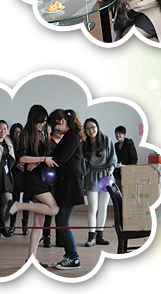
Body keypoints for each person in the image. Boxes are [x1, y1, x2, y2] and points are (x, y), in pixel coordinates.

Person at [8, 105, 60, 259]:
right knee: (54, 208)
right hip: (32, 179)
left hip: (41, 176)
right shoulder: (27, 133)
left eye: (44, 121)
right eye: (40, 121)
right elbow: (22, 158)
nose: (42, 124)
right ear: (33, 119)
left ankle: (31, 258)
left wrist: (38, 162)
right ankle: (18, 206)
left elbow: (47, 155)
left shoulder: (43, 133)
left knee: (38, 222)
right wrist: (42, 159)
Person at [46, 109, 86, 270]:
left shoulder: (72, 138)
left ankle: (74, 257)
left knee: (62, 221)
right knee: (61, 220)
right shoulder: (68, 137)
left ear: (62, 121)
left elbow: (60, 159)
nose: (54, 130)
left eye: (54, 126)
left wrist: (41, 160)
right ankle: (70, 255)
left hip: (71, 183)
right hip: (67, 182)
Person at [82, 118, 118, 247]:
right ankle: (91, 237)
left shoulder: (107, 140)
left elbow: (113, 158)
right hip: (91, 175)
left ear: (97, 127)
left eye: (93, 127)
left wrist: (111, 170)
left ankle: (100, 235)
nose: (91, 130)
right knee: (93, 207)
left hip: (105, 176)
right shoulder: (84, 143)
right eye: (87, 128)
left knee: (103, 207)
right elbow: (82, 162)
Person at [8, 122, 27, 235]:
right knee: (15, 200)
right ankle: (12, 225)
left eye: (19, 132)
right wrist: (16, 166)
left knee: (26, 200)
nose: (17, 135)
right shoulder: (10, 145)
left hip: (26, 174)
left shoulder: (26, 143)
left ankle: (25, 226)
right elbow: (9, 161)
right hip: (15, 174)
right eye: (15, 132)